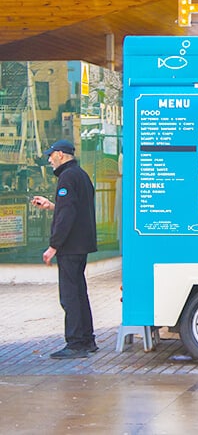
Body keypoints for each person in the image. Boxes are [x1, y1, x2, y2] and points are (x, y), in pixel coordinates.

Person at [31, 139, 98, 359]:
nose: (49, 160)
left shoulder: (67, 177)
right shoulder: (80, 175)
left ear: (60, 154)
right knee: (79, 293)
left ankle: (76, 344)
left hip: (70, 246)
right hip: (81, 244)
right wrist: (51, 205)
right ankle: (88, 340)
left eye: (51, 155)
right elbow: (72, 207)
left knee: (69, 296)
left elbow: (67, 215)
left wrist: (53, 246)